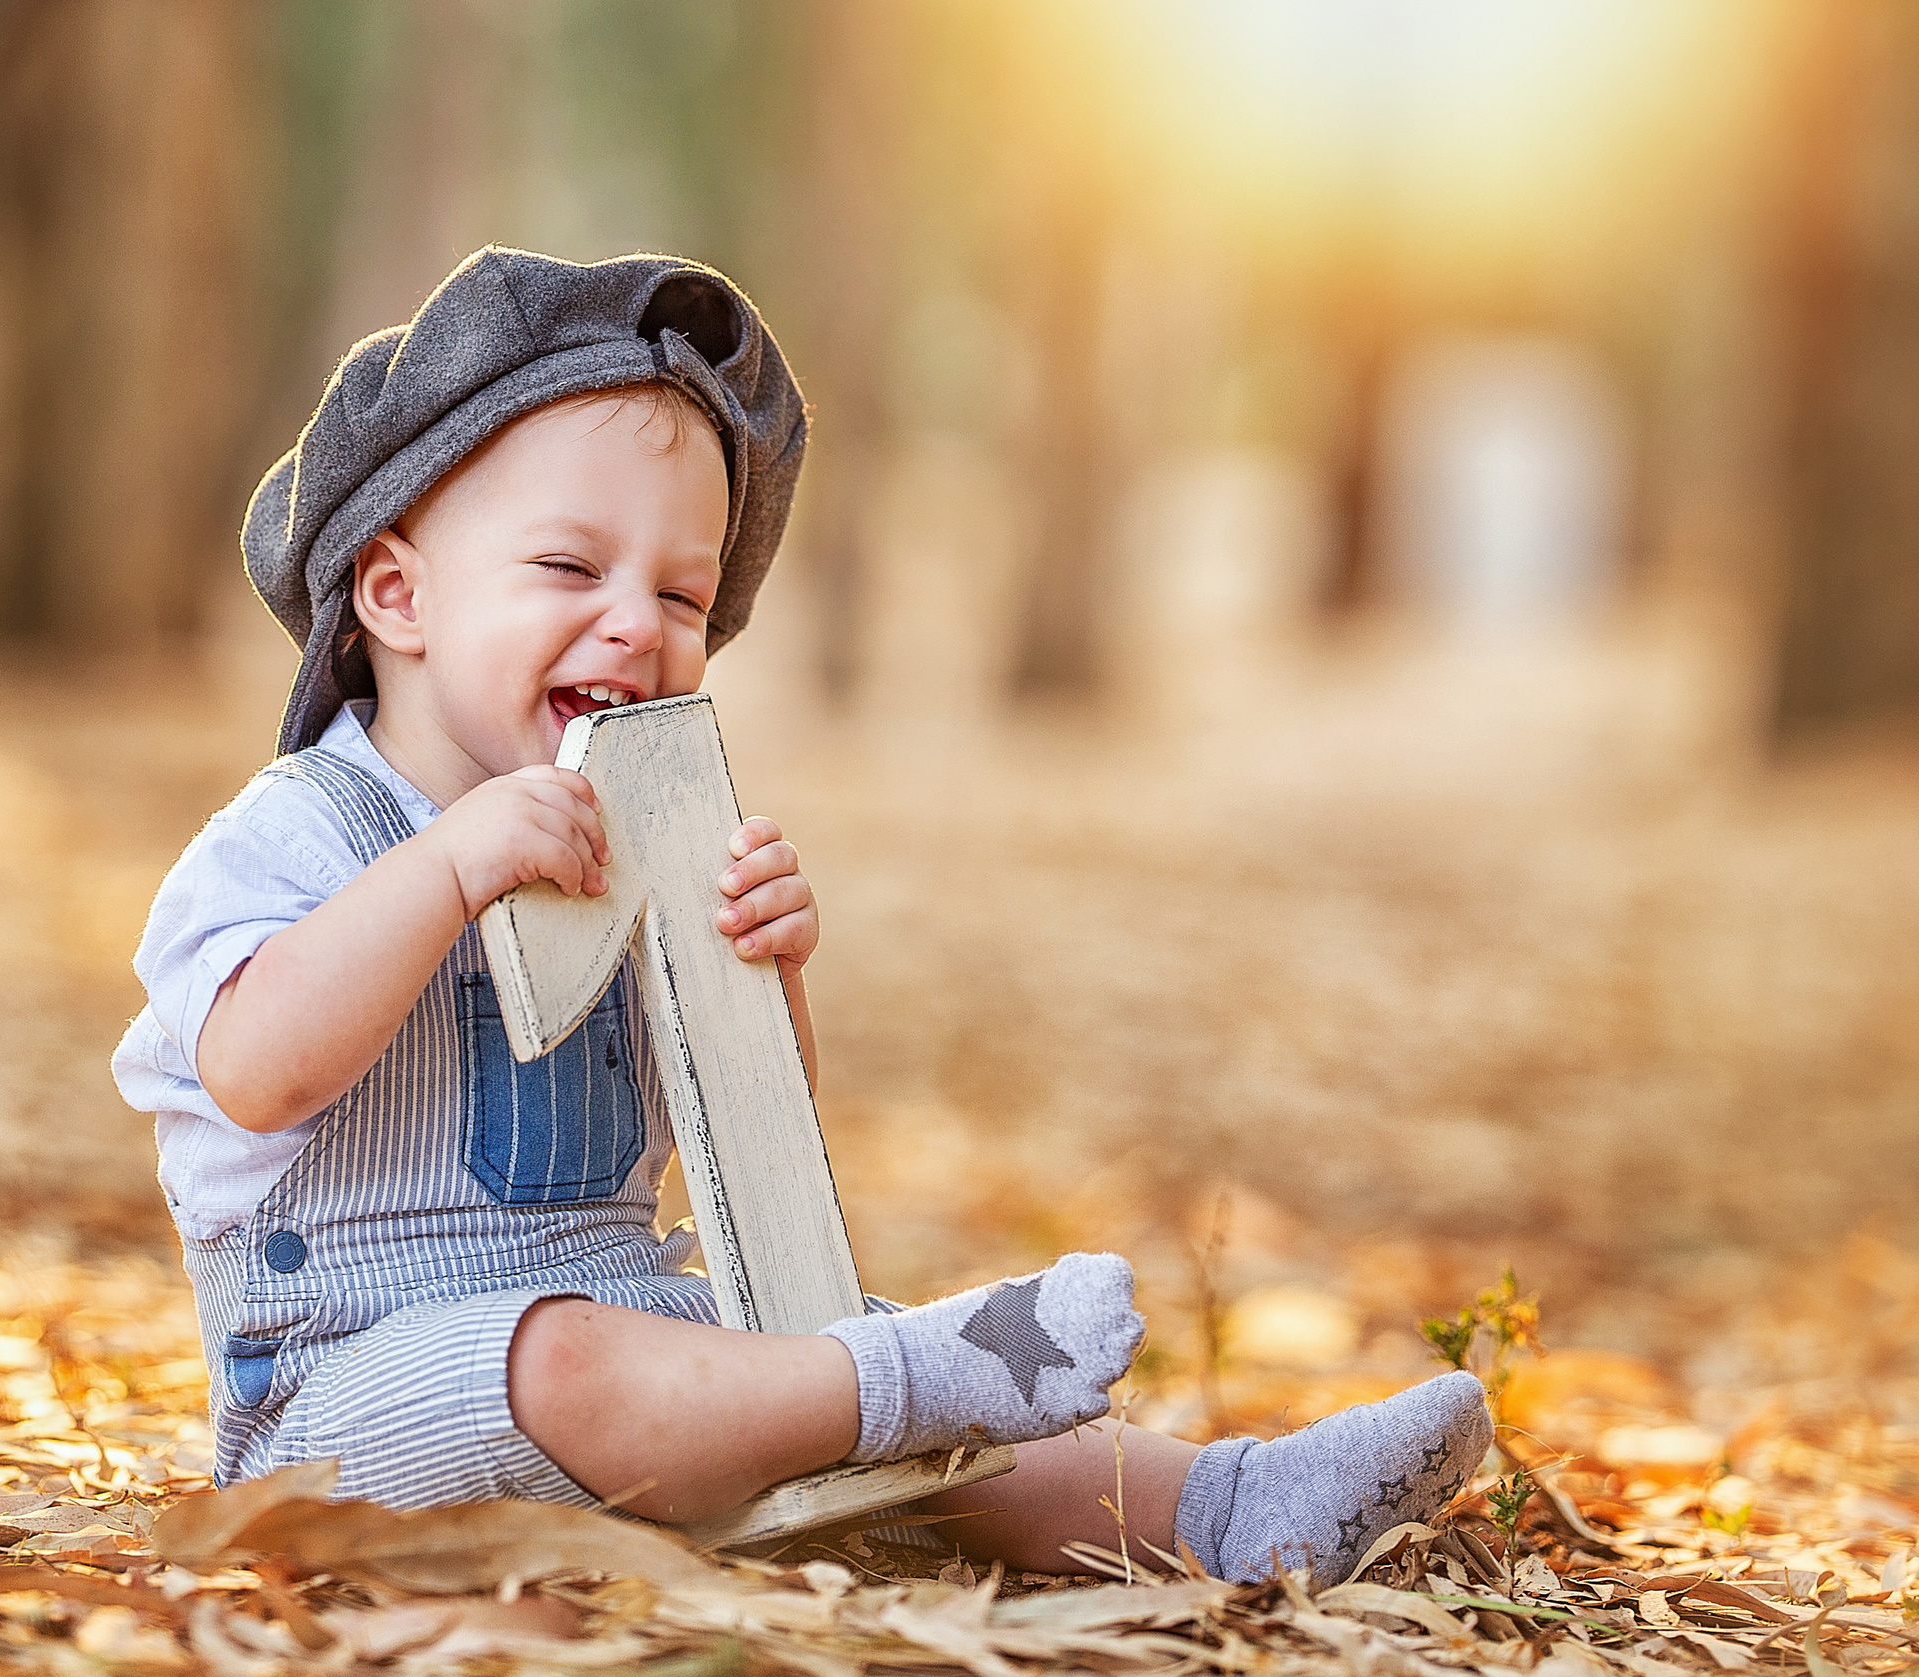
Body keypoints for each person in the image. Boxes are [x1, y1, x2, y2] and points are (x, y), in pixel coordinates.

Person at [114, 248, 1489, 1585]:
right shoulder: (295, 832)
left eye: (681, 594)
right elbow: (256, 1066)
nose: (632, 625)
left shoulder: (638, 833)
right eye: (569, 569)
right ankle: (918, 1377)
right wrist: (447, 871)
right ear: (397, 595)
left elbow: (740, 1142)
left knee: (828, 1369)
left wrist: (763, 977)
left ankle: (1228, 1505)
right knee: (645, 1369)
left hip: (642, 1338)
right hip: (348, 1404)